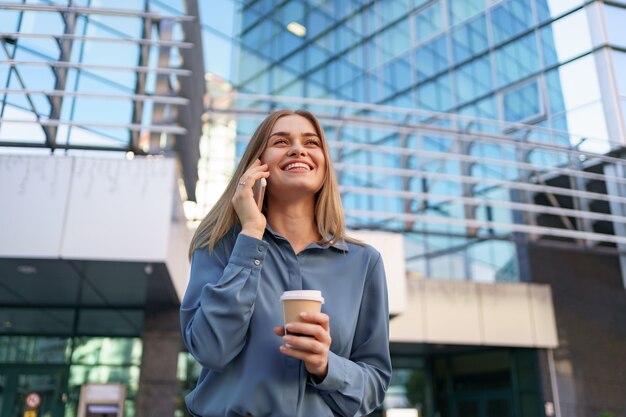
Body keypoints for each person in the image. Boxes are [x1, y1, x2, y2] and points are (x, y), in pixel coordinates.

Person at [180, 109, 392, 417]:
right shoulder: (219, 247)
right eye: (281, 141)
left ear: (324, 165)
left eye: (311, 142)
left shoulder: (363, 263)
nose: (297, 148)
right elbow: (211, 350)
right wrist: (250, 234)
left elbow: (374, 383)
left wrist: (325, 365)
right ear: (257, 165)